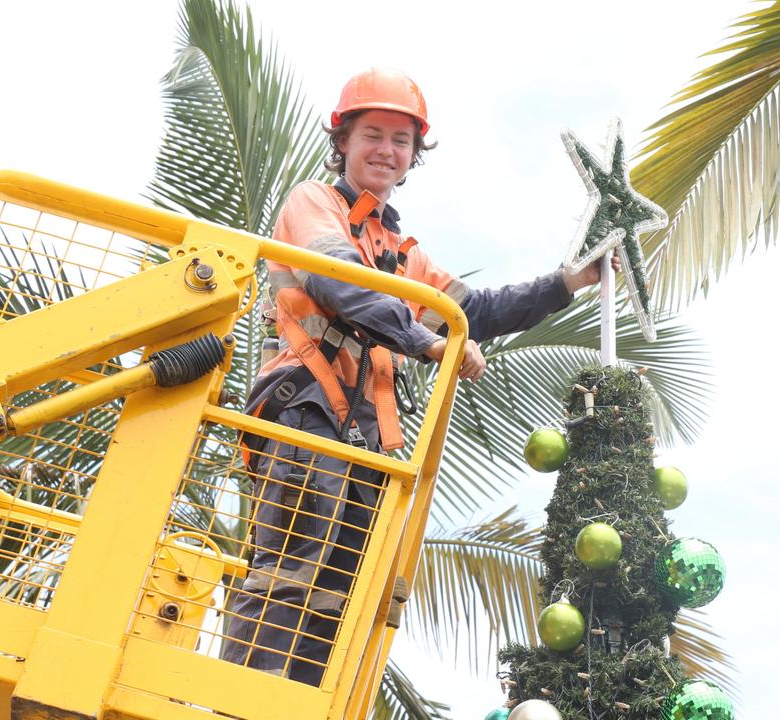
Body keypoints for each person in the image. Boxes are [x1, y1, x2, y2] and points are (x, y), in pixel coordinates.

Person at [221, 67, 616, 685]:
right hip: (306, 409)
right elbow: (341, 284)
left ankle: (302, 700)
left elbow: (473, 313)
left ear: (412, 157)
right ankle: (239, 700)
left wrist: (567, 282)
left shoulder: (403, 253)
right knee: (292, 569)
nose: (386, 150)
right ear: (343, 141)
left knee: (342, 588)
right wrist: (428, 343)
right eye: (372, 134)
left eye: (400, 141)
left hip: (367, 440)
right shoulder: (314, 204)